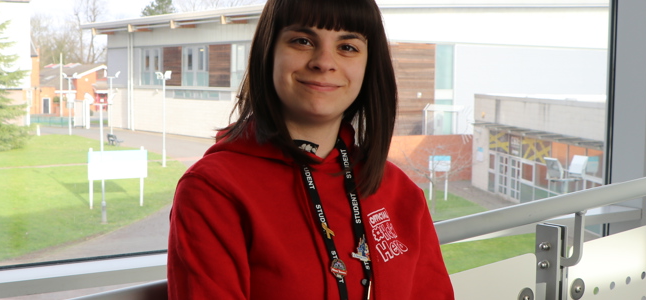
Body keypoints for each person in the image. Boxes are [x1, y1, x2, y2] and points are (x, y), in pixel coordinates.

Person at [167, 0, 455, 298]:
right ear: (269, 53)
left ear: (370, 66)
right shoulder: (213, 190)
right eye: (302, 41)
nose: (324, 61)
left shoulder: (400, 193)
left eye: (347, 47)